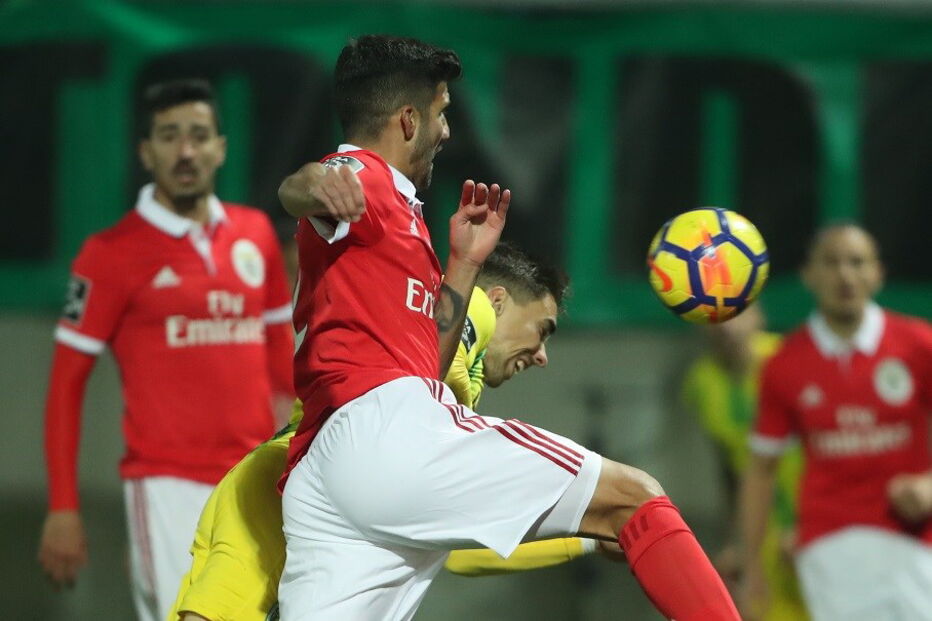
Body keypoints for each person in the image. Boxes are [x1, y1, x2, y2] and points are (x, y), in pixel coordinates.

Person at [277, 35, 738, 620]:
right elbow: (308, 188)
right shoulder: (361, 177)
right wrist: (311, 183)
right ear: (409, 119)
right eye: (443, 112)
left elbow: (428, 368)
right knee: (635, 497)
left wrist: (465, 262)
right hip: (380, 428)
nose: (448, 130)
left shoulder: (403, 223)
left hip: (324, 470)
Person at [169, 243, 618, 621]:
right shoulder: (473, 312)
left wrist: (585, 539)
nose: (541, 356)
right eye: (542, 331)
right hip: (282, 484)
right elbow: (439, 354)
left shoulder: (449, 366)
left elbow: (458, 546)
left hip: (288, 482)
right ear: (498, 300)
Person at [37, 79, 295, 621]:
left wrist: (299, 460)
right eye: (169, 136)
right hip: (167, 485)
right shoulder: (109, 254)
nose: (185, 151)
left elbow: (281, 368)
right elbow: (65, 386)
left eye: (198, 135)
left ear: (220, 147)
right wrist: (63, 506)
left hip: (254, 478)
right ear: (145, 151)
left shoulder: (254, 235)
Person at [739, 223, 932, 621]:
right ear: (809, 275)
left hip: (917, 537)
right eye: (831, 263)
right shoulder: (784, 364)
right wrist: (752, 564)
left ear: (878, 272)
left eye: (857, 262)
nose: (845, 275)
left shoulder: (919, 345)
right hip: (831, 540)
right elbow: (761, 469)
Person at [681, 304, 807, 620]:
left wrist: (810, 526)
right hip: (765, 537)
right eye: (711, 317)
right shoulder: (700, 382)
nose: (724, 326)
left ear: (759, 316)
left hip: (821, 525)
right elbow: (730, 470)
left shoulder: (791, 361)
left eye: (733, 312)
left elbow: (835, 450)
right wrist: (735, 542)